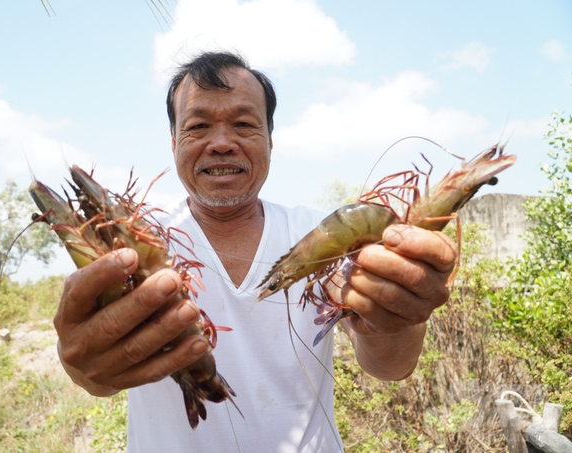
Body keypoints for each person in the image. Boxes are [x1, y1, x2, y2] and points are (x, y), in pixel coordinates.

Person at [54, 52, 457, 452]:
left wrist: (395, 316)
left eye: (244, 124)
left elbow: (391, 366)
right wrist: (83, 365)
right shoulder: (132, 246)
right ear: (174, 141)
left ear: (269, 139)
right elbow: (96, 378)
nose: (222, 143)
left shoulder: (319, 233)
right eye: (198, 126)